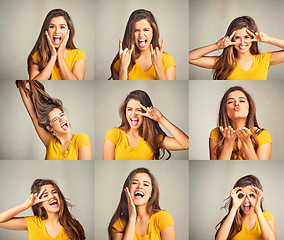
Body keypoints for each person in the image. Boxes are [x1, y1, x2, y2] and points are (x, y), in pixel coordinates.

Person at [188, 16, 284, 80]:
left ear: (253, 38)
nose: (242, 42)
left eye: (246, 37)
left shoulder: (264, 60)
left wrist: (268, 40)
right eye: (237, 37)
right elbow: (190, 58)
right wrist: (217, 45)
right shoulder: (224, 63)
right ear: (231, 38)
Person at [16, 80, 91, 160]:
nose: (61, 119)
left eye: (61, 115)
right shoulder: (49, 141)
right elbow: (33, 115)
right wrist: (20, 83)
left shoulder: (81, 139)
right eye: (55, 119)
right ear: (50, 128)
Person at [103, 90, 188, 160]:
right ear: (125, 112)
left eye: (139, 110)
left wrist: (161, 118)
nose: (133, 114)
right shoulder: (114, 134)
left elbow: (186, 144)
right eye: (129, 109)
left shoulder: (153, 139)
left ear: (146, 112)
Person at [0, 179, 85, 240]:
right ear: (40, 203)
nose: (52, 196)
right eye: (45, 195)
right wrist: (26, 205)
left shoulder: (75, 226)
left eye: (54, 192)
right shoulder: (33, 223)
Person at [108, 167, 176, 240]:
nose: (140, 187)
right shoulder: (119, 225)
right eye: (134, 183)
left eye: (146, 184)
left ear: (151, 193)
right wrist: (132, 218)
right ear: (127, 189)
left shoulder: (163, 217)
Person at [109, 9, 176, 80]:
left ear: (153, 32)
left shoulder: (167, 60)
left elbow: (164, 86)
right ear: (131, 33)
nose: (141, 35)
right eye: (136, 30)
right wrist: (123, 67)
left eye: (146, 30)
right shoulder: (120, 62)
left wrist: (158, 66)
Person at [209, 86, 271, 160]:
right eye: (230, 102)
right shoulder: (216, 133)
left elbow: (259, 167)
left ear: (249, 109)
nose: (236, 104)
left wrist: (247, 142)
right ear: (225, 110)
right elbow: (218, 168)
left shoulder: (263, 135)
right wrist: (228, 142)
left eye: (242, 101)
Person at [27, 9, 86, 80]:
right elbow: (35, 84)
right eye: (52, 27)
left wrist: (60, 56)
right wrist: (53, 57)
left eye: (62, 27)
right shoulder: (37, 56)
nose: (57, 31)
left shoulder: (79, 55)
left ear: (68, 31)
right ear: (46, 31)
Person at [215, 175, 276, 240]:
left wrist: (257, 208)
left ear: (257, 197)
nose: (246, 200)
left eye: (251, 195)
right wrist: (234, 207)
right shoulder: (231, 219)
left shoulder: (267, 216)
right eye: (241, 195)